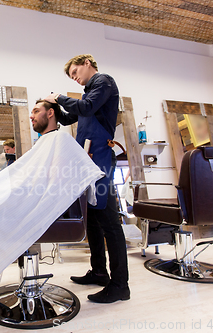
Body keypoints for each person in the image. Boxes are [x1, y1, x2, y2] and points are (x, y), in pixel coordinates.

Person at [0, 100, 104, 290]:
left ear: (50, 113)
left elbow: (64, 178)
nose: (31, 116)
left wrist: (24, 191)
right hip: (31, 196)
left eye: (35, 111)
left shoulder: (61, 139)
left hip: (43, 205)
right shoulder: (44, 141)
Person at [45, 54, 130, 303]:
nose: (75, 78)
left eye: (74, 72)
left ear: (87, 63)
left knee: (109, 224)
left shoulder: (104, 82)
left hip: (100, 162)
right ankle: (99, 272)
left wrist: (59, 97)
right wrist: (52, 109)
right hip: (86, 162)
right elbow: (71, 116)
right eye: (71, 77)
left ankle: (120, 285)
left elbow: (85, 108)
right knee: (91, 219)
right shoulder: (87, 96)